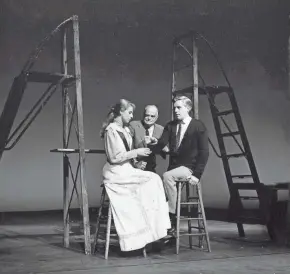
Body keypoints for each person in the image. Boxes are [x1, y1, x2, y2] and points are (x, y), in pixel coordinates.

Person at [100, 99, 171, 252]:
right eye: (130, 112)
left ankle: (154, 230)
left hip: (129, 168)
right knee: (153, 180)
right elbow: (114, 157)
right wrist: (137, 153)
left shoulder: (124, 129)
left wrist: (137, 162)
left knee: (154, 179)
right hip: (115, 171)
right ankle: (142, 233)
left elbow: (165, 149)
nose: (132, 116)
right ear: (121, 112)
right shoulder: (112, 130)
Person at [149, 95, 209, 232]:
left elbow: (204, 152)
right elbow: (161, 144)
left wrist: (197, 175)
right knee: (161, 182)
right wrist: (148, 148)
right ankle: (169, 228)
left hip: (189, 168)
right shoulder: (171, 126)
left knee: (167, 176)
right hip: (174, 168)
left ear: (188, 108)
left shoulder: (198, 126)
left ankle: (171, 213)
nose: (175, 110)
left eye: (179, 107)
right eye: (174, 108)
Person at [129, 105, 167, 172]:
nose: (149, 118)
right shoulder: (133, 125)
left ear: (157, 117)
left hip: (151, 167)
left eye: (152, 116)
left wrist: (157, 144)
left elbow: (164, 152)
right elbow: (128, 148)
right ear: (143, 115)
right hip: (133, 166)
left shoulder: (161, 129)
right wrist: (135, 163)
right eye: (147, 115)